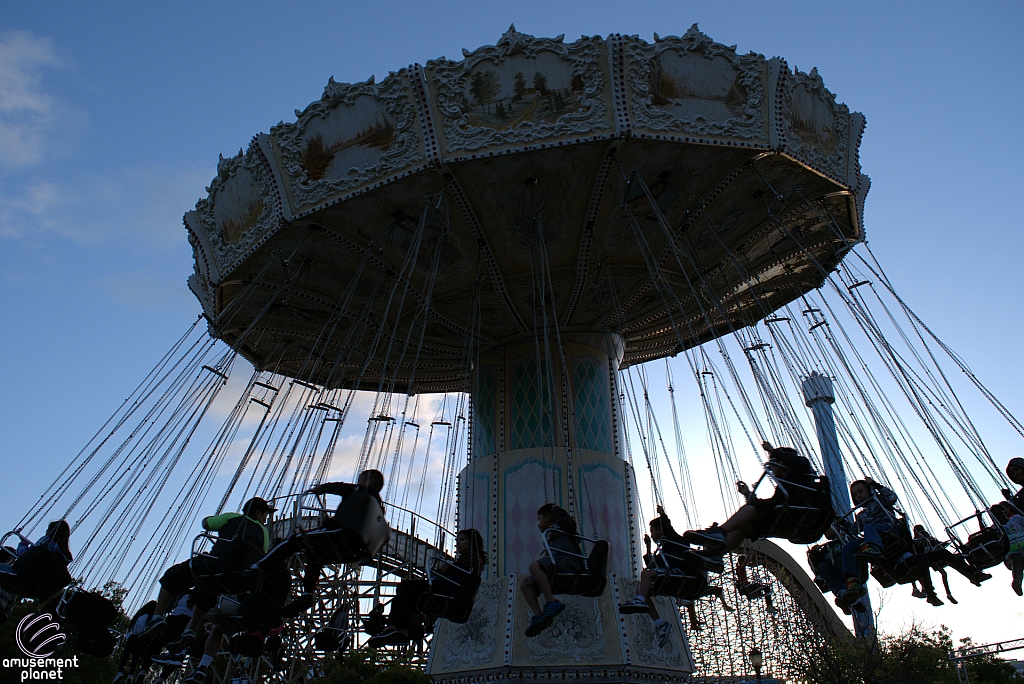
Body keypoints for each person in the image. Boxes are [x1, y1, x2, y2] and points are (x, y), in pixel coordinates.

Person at [149, 497, 275, 663]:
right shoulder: (264, 533)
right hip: (238, 580)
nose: (266, 519)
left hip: (215, 567)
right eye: (265, 515)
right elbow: (261, 554)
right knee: (208, 591)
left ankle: (157, 616)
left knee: (175, 575)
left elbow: (206, 524)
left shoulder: (231, 517)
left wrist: (214, 520)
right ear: (258, 512)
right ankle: (191, 630)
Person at [245, 469, 386, 599]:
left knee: (293, 540)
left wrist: (322, 488)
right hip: (357, 547)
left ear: (369, 481)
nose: (357, 482)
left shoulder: (361, 491)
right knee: (316, 555)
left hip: (341, 531)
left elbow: (342, 487)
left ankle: (258, 569)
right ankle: (307, 594)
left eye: (360, 479)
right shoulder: (378, 510)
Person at [684, 442, 820, 557]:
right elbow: (768, 508)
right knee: (745, 526)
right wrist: (748, 495)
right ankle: (716, 556)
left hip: (799, 510)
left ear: (783, 462)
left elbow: (796, 462)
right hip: (787, 513)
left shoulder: (801, 469)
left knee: (750, 509)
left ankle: (720, 533)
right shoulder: (784, 487)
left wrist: (773, 451)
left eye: (773, 465)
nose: (771, 469)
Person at [368, 528, 487, 647]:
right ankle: (400, 630)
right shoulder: (472, 559)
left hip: (451, 589)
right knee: (403, 597)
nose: (458, 543)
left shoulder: (472, 558)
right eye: (457, 540)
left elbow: (453, 571)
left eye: (462, 539)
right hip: (451, 587)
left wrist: (444, 568)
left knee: (405, 587)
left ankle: (395, 627)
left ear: (471, 542)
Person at [618, 505, 704, 648]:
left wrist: (663, 515)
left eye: (653, 531)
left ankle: (639, 601)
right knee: (640, 590)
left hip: (680, 572)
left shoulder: (675, 541)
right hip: (669, 574)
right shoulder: (663, 549)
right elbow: (653, 564)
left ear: (660, 530)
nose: (651, 535)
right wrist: (647, 547)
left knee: (645, 574)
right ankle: (660, 623)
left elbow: (668, 530)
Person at [520, 504, 584, 637]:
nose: (538, 524)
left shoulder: (562, 528)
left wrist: (556, 510)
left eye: (539, 519)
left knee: (534, 566)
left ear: (548, 518)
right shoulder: (550, 536)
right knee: (525, 583)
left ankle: (551, 601)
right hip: (557, 566)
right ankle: (539, 616)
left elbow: (571, 526)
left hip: (568, 563)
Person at [837, 477, 899, 606]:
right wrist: (840, 520)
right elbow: (853, 530)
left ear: (868, 490)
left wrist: (875, 485)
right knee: (849, 546)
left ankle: (873, 549)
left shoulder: (879, 500)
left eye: (861, 491)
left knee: (869, 527)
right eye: (855, 494)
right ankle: (853, 580)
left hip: (888, 528)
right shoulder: (861, 515)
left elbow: (892, 497)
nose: (858, 496)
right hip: (871, 536)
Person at [992, 503, 1024, 595]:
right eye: (996, 515)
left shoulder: (1016, 519)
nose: (1000, 516)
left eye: (1000, 513)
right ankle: (1017, 582)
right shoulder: (994, 529)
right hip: (1011, 553)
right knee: (1016, 560)